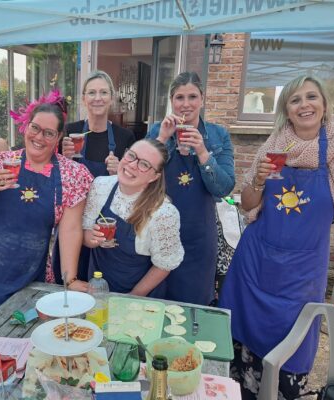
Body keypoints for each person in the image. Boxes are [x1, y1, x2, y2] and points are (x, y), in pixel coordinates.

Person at [219, 75, 334, 399]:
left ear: (325, 104)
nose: (304, 105)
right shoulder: (275, 148)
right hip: (254, 265)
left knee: (292, 355)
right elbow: (249, 204)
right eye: (295, 100)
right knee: (240, 353)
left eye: (311, 97)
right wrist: (258, 181)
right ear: (286, 110)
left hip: (301, 275)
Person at [0, 92, 93, 332]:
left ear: (58, 137)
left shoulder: (73, 175)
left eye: (49, 133)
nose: (39, 137)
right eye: (35, 128)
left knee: (21, 339)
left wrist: (70, 279)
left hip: (27, 277)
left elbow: (70, 229)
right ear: (26, 127)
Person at [147, 71, 235, 306]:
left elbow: (224, 188)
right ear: (171, 101)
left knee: (193, 304)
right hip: (159, 231)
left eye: (192, 97)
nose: (186, 104)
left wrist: (203, 152)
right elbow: (141, 176)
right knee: (157, 302)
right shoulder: (157, 130)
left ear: (202, 99)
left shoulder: (218, 135)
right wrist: (162, 139)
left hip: (199, 235)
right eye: (179, 97)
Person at [55, 70, 136, 283]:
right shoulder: (69, 132)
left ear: (111, 98)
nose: (97, 98)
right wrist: (64, 160)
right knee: (70, 282)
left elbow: (135, 186)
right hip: (72, 222)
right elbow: (54, 177)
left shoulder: (125, 137)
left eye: (103, 92)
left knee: (102, 286)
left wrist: (119, 172)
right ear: (83, 98)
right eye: (91, 93)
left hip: (107, 228)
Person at [83, 139, 184, 297]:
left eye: (144, 164)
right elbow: (85, 233)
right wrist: (93, 239)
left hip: (139, 297)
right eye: (131, 155)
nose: (132, 165)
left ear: (154, 177)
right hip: (97, 289)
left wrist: (131, 297)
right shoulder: (101, 186)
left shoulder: (164, 213)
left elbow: (163, 266)